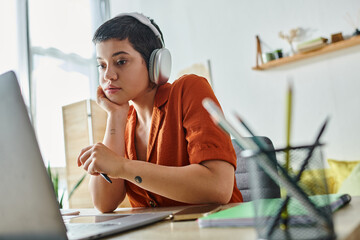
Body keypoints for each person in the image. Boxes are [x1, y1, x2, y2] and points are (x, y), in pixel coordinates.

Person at [77, 12, 243, 213]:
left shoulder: (189, 90)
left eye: (121, 61)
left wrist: (122, 167)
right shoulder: (125, 122)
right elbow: (104, 203)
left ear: (155, 62)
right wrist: (115, 117)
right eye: (101, 65)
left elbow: (218, 188)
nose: (108, 76)